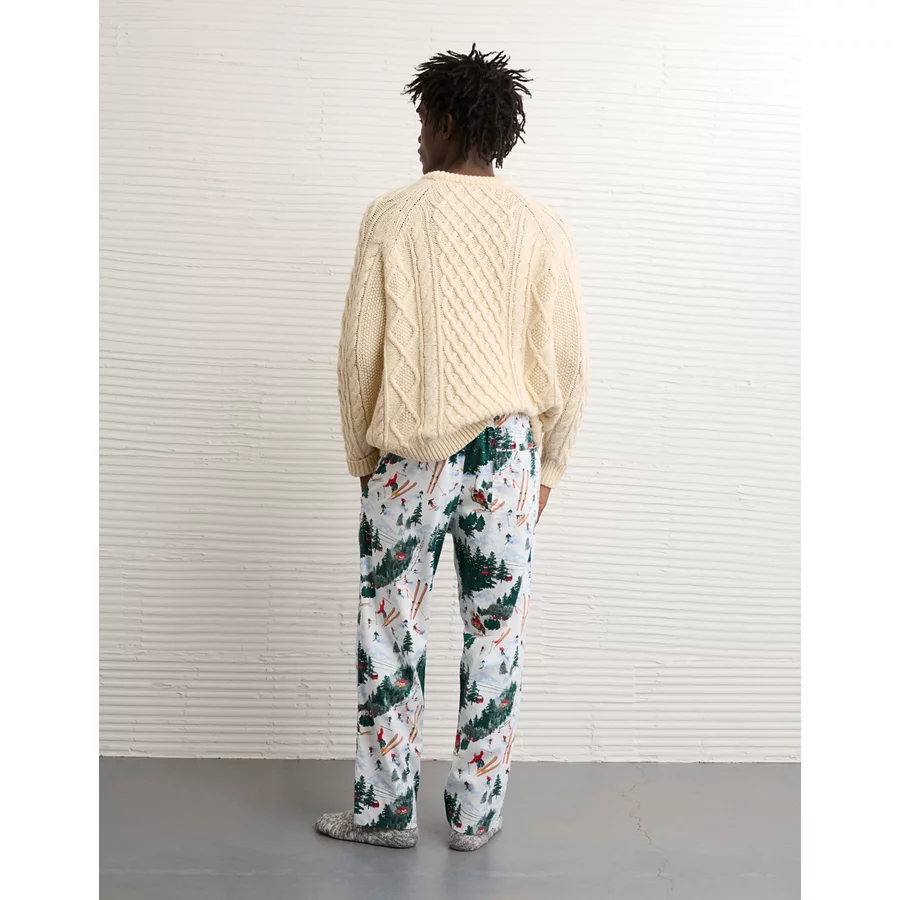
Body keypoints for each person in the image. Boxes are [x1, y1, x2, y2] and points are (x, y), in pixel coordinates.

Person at [316, 43, 588, 852]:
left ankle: (385, 814)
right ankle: (476, 817)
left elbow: (359, 352)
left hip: (411, 450)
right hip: (510, 452)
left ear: (443, 120)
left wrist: (360, 453)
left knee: (391, 627)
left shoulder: (394, 214)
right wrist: (552, 464)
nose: (418, 139)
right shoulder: (542, 225)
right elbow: (569, 360)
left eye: (422, 122)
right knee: (496, 631)